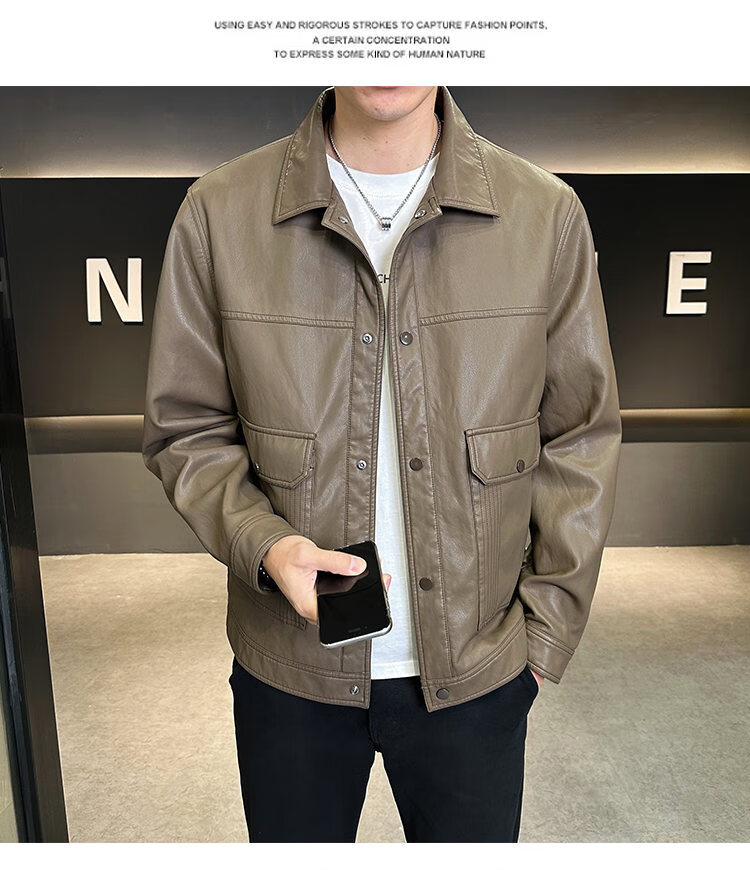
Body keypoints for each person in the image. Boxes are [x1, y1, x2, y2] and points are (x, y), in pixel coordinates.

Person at [142, 85, 622, 843]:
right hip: (288, 672)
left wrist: (544, 636)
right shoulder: (219, 212)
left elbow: (581, 436)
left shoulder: (545, 214)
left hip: (480, 670)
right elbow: (187, 428)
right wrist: (266, 545)